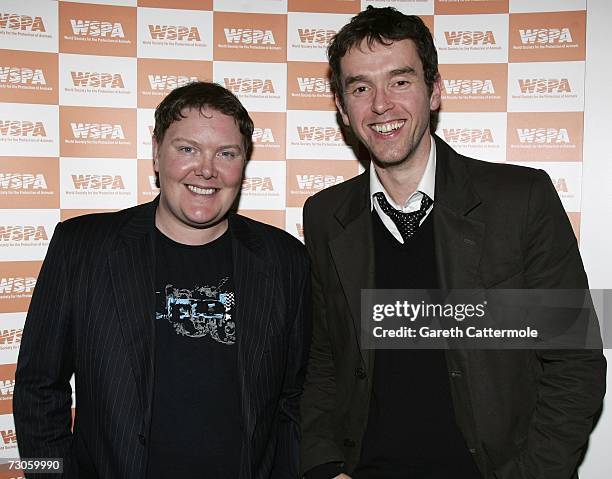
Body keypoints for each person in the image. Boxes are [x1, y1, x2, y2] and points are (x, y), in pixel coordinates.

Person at [299, 7, 605, 479]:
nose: (381, 104)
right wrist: (324, 466)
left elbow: (573, 363)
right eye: (360, 87)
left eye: (400, 81)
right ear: (342, 107)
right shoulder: (325, 216)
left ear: (434, 90)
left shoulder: (519, 200)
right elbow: (325, 356)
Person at [14, 81, 311, 479]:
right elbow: (37, 388)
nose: (206, 169)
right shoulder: (81, 248)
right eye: (187, 149)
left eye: (226, 153)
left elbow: (296, 400)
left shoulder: (286, 259)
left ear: (244, 163)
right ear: (156, 153)